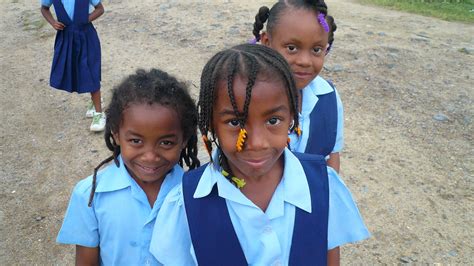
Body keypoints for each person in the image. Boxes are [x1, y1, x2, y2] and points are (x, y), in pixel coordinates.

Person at [150, 44, 369, 265]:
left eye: (273, 121)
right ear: (211, 125)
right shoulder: (185, 205)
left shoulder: (323, 184)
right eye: (235, 122)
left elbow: (329, 255)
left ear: (292, 116)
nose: (256, 143)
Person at [56, 69, 200, 265]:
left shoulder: (198, 195)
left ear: (184, 141)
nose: (150, 157)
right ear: (116, 135)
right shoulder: (91, 195)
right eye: (136, 141)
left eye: (166, 143)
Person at [252, 0, 344, 172]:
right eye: (292, 48)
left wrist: (329, 195)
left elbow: (331, 155)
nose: (304, 61)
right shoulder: (247, 95)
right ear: (266, 42)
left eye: (316, 50)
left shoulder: (329, 97)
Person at [40, 0, 106, 131]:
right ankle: (94, 103)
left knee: (90, 72)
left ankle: (99, 113)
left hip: (86, 36)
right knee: (74, 71)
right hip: (66, 38)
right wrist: (53, 22)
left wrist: (85, 19)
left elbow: (100, 9)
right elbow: (44, 8)